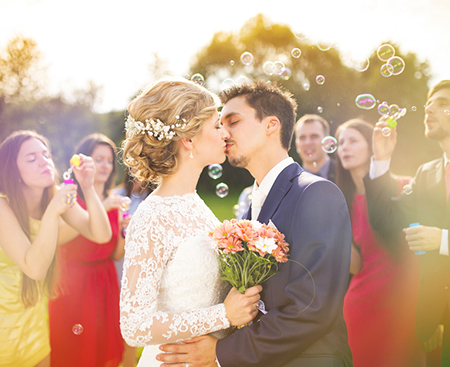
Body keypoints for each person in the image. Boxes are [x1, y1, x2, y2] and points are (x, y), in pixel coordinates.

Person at [158, 80, 353, 366]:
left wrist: (221, 352)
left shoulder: (315, 193)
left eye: (233, 121)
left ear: (271, 125)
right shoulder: (253, 203)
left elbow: (312, 308)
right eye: (220, 124)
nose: (223, 132)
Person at [119, 77, 262, 366]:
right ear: (188, 139)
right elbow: (134, 326)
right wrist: (224, 314)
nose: (225, 134)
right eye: (216, 125)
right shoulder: (152, 217)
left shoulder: (195, 205)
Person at [0, 130, 111, 367]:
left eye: (46, 155)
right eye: (31, 158)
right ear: (12, 170)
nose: (44, 161)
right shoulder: (2, 206)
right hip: (3, 326)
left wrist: (88, 187)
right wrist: (53, 213)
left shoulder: (54, 197)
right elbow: (35, 268)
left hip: (34, 322)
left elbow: (101, 234)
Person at [364, 80, 450, 364]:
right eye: (429, 103)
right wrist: (381, 160)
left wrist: (442, 240)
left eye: (443, 103)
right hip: (436, 320)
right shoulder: (427, 173)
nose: (430, 109)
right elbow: (386, 220)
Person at [335, 119, 426, 366]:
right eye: (341, 142)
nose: (344, 147)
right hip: (362, 304)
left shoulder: (406, 187)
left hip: (406, 300)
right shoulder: (341, 203)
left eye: (353, 141)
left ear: (373, 144)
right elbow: (355, 265)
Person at [48, 133, 125, 367]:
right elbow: (58, 238)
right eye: (98, 159)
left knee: (103, 348)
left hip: (105, 281)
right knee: (73, 351)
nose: (105, 165)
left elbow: (116, 254)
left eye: (109, 160)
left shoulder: (115, 201)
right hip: (73, 283)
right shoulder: (68, 196)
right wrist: (100, 206)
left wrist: (124, 231)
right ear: (84, 163)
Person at [112, 167, 152, 367]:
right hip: (116, 267)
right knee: (110, 331)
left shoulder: (154, 199)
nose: (141, 168)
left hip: (139, 272)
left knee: (130, 330)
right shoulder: (116, 196)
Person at [294, 113, 336, 182]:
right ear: (297, 144)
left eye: (314, 136)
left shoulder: (346, 174)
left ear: (328, 142)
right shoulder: (291, 182)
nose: (307, 143)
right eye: (302, 137)